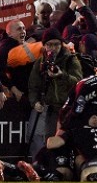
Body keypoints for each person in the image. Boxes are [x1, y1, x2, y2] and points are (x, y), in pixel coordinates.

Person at [27, 27, 82, 158]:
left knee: (69, 141)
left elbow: (78, 82)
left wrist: (61, 75)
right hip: (51, 108)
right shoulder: (41, 62)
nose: (53, 48)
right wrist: (35, 102)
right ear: (44, 45)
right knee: (49, 140)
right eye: (49, 44)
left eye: (56, 44)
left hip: (68, 109)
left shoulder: (70, 59)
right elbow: (33, 85)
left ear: (61, 44)